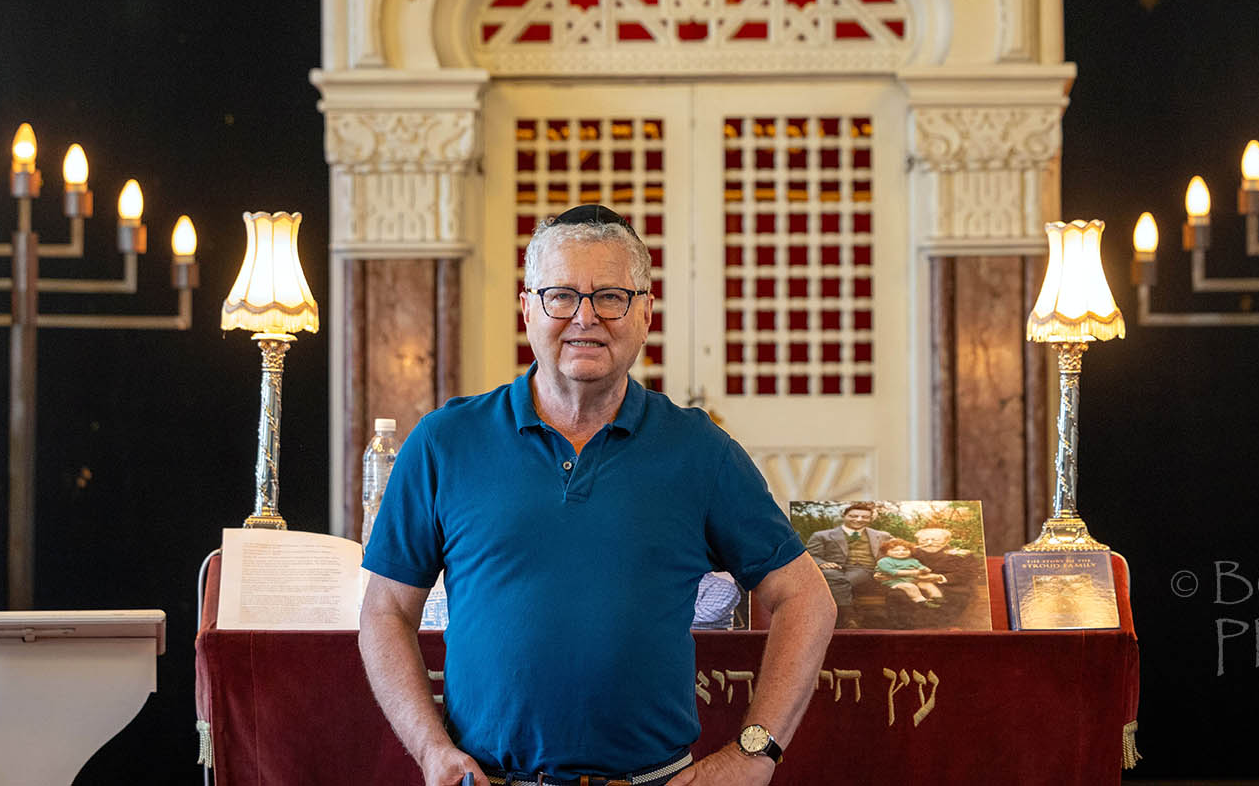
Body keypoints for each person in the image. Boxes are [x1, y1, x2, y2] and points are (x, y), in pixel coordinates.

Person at [359, 205, 838, 786]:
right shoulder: (445, 442)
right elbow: (385, 611)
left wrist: (753, 754)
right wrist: (431, 749)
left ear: (644, 313)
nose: (585, 317)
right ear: (528, 307)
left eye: (611, 296)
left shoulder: (699, 451)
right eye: (561, 295)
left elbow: (807, 599)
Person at [802, 502, 893, 625]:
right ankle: (849, 617)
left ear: (871, 519)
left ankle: (842, 618)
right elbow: (809, 555)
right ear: (844, 516)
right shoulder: (822, 535)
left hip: (865, 569)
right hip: (833, 569)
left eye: (865, 517)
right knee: (832, 575)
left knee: (839, 580)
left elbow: (900, 549)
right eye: (853, 516)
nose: (859, 519)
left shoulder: (882, 536)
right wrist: (821, 563)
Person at [874, 538, 945, 606]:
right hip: (895, 581)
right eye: (895, 550)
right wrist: (915, 572)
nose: (901, 552)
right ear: (886, 552)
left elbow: (921, 567)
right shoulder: (884, 561)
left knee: (927, 584)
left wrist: (925, 569)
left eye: (905, 550)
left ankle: (937, 598)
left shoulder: (912, 560)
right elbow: (893, 572)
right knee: (910, 587)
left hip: (912, 580)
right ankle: (921, 601)